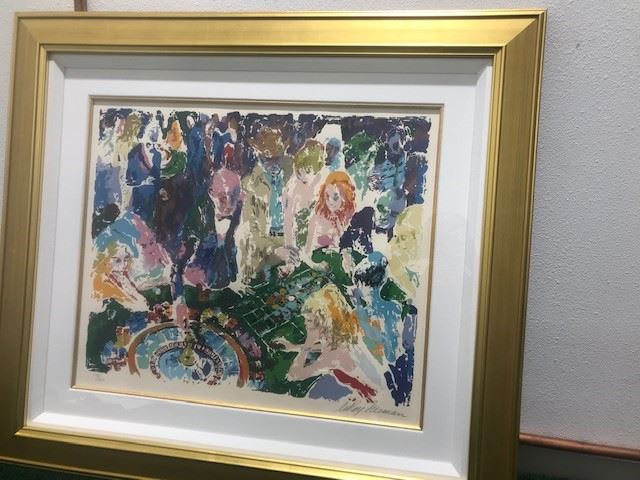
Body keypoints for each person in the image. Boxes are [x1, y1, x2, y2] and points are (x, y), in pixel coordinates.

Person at [278, 284, 384, 402]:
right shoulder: (345, 335)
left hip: (365, 397)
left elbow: (294, 375)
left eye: (309, 320)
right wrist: (293, 347)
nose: (305, 324)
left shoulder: (331, 358)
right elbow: (326, 346)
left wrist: (308, 344)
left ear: (324, 322)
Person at [304, 171, 356, 258]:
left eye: (335, 197)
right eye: (327, 196)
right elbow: (308, 252)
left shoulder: (350, 219)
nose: (330, 201)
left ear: (344, 196)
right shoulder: (317, 219)